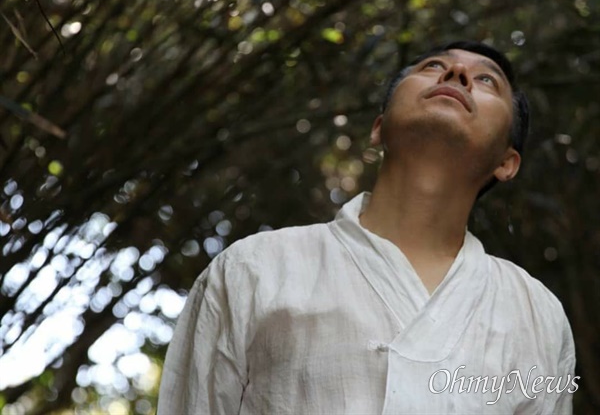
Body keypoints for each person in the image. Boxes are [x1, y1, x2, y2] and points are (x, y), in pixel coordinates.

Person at [157, 40, 577, 414]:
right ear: (378, 127)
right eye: (432, 66)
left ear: (507, 162)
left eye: (487, 80)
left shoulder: (538, 315)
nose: (457, 74)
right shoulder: (254, 268)